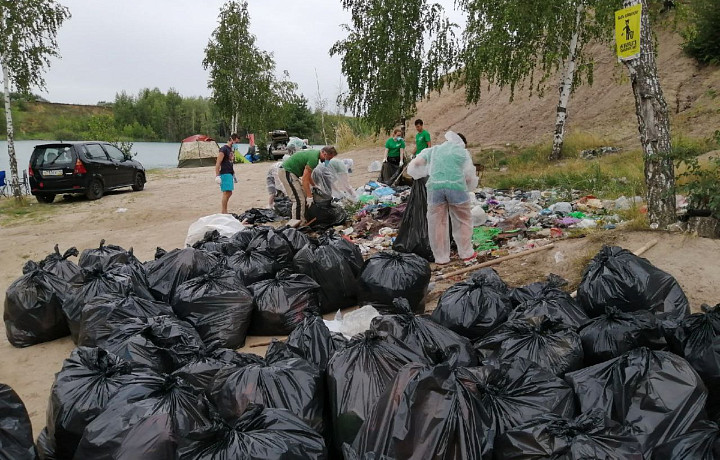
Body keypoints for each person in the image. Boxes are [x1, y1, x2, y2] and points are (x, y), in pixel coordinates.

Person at [407, 131, 478, 265]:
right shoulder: (462, 152)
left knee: (437, 223)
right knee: (463, 219)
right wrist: (466, 185)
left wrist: (424, 173)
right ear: (462, 143)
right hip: (456, 188)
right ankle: (466, 253)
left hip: (435, 189)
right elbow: (469, 177)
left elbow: (417, 163)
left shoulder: (434, 150)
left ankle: (441, 257)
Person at [278, 146, 338, 226]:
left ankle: (303, 220)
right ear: (324, 153)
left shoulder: (314, 155)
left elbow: (307, 175)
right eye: (328, 158)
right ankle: (296, 226)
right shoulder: (314, 159)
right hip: (287, 172)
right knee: (299, 200)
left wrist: (314, 185)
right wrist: (310, 197)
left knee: (303, 196)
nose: (328, 161)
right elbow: (304, 180)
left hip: (292, 173)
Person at [215, 133, 240, 214]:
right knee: (227, 192)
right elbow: (218, 163)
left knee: (229, 192)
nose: (236, 144)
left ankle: (224, 210)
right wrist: (217, 175)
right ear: (232, 140)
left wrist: (233, 174)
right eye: (236, 142)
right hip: (224, 173)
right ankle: (224, 211)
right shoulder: (224, 149)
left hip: (229, 173)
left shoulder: (230, 149)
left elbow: (230, 162)